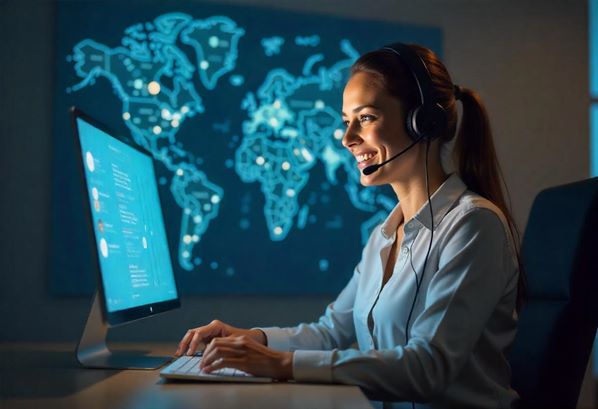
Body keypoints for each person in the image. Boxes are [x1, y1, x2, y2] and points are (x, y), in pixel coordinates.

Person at [175, 43, 525, 409]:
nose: (347, 139)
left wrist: (283, 364)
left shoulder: (473, 225)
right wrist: (256, 340)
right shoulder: (384, 235)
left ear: (423, 121)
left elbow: (429, 367)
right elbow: (332, 333)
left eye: (367, 118)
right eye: (346, 122)